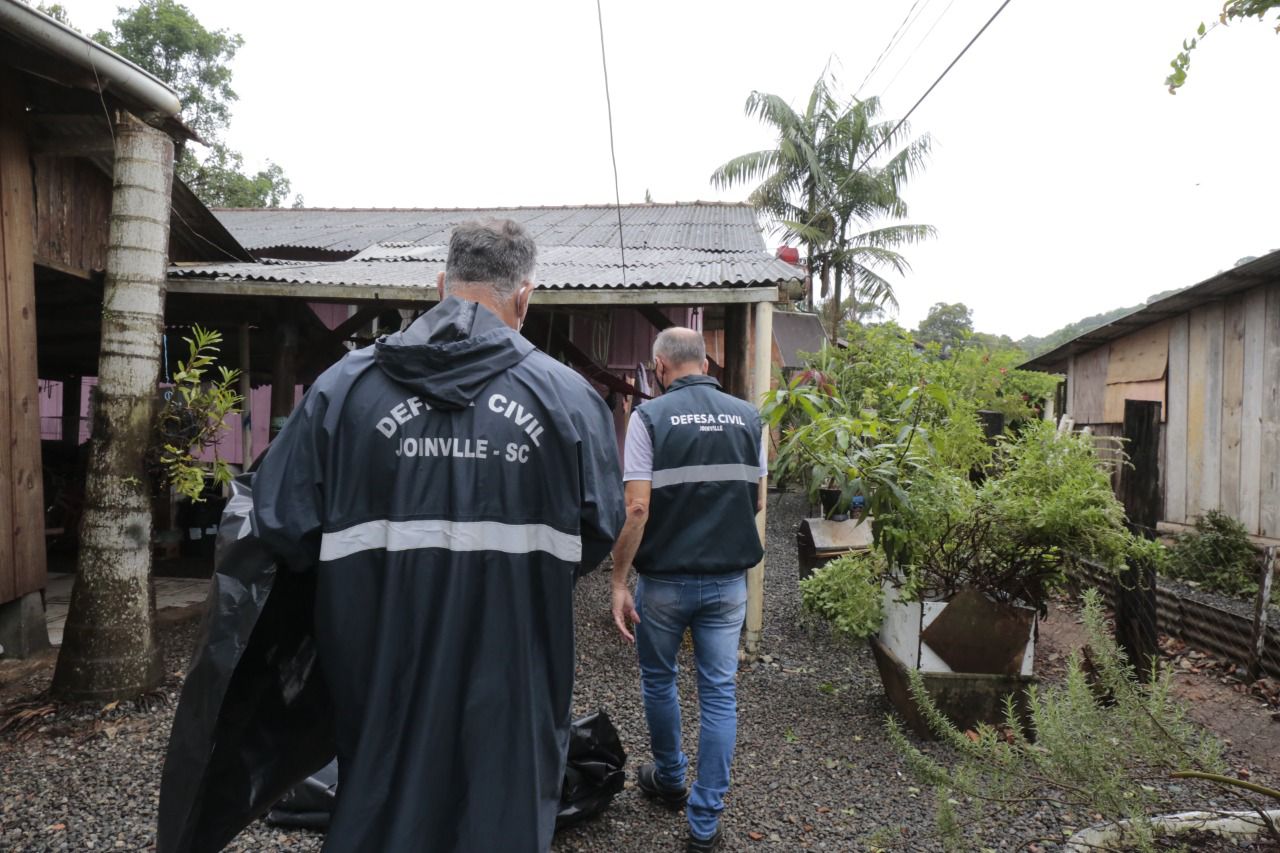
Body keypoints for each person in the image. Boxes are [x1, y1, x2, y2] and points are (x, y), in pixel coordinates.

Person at [250, 219, 625, 852]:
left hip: (375, 664)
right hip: (515, 673)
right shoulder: (569, 400)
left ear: (440, 284)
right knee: (500, 813)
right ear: (525, 297)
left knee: (378, 804)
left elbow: (282, 524)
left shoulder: (343, 390)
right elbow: (596, 533)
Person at [609, 327, 766, 853]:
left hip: (666, 583)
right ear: (705, 362)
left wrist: (617, 579)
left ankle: (671, 779)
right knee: (719, 694)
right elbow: (757, 501)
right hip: (727, 585)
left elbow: (636, 508)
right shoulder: (749, 417)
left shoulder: (648, 418)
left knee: (660, 680)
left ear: (659, 367)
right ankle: (704, 825)